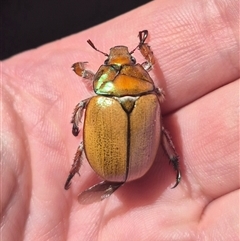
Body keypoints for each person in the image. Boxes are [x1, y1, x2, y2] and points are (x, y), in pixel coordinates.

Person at [1, 0, 238, 240]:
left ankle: (75, 171)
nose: (123, 61)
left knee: (84, 145)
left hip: (119, 161)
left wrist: (76, 117)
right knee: (162, 133)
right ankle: (173, 162)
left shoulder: (100, 99)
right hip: (138, 163)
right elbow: (150, 64)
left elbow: (80, 105)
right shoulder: (151, 97)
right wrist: (143, 48)